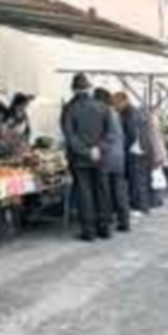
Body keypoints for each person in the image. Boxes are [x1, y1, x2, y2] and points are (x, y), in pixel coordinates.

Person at [61, 74, 113, 241]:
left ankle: (89, 231)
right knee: (102, 191)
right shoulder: (103, 107)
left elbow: (70, 136)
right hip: (100, 157)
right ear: (89, 88)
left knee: (85, 194)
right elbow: (110, 134)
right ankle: (104, 228)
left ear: (73, 89)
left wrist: (86, 151)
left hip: (79, 159)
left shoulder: (69, 109)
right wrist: (98, 148)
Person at [94, 88, 130, 232]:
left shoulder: (104, 113)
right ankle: (124, 221)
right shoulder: (115, 113)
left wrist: (97, 147)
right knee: (120, 191)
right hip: (119, 157)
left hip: (107, 158)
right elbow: (121, 136)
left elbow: (108, 136)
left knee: (105, 192)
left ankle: (106, 223)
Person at [113, 92, 149, 216]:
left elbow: (131, 134)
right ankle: (142, 206)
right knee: (139, 179)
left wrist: (124, 147)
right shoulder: (134, 111)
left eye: (116, 103)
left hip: (134, 150)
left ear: (124, 101)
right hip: (140, 148)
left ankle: (138, 207)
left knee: (135, 180)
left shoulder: (130, 113)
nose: (115, 107)